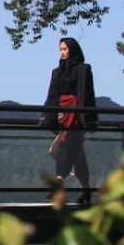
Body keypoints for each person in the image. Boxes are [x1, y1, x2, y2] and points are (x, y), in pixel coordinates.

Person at [41, 36, 96, 205]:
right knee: (77, 153)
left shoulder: (83, 69)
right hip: (62, 114)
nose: (62, 52)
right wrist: (47, 115)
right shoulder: (57, 71)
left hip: (77, 114)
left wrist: (91, 118)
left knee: (66, 144)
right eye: (61, 49)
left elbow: (88, 94)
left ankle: (58, 182)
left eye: (65, 49)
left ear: (72, 50)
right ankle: (86, 189)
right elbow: (52, 94)